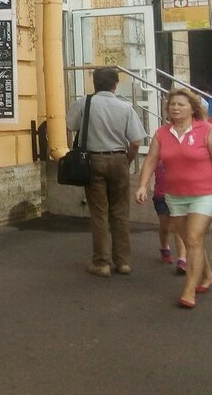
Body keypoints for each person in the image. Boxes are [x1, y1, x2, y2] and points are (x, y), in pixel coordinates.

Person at [136, 88, 212, 308]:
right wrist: (142, 186)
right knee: (189, 239)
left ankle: (189, 291)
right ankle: (207, 275)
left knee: (194, 238)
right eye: (172, 104)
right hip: (175, 195)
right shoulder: (162, 133)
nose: (175, 108)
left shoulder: (208, 131)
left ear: (192, 108)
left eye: (181, 104)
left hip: (205, 194)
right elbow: (151, 160)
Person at [65, 66, 144, 277]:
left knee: (99, 213)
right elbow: (136, 141)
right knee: (120, 212)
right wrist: (126, 160)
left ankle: (101, 263)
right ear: (115, 84)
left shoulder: (84, 103)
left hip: (93, 161)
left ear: (94, 83)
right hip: (119, 159)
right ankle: (123, 261)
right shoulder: (125, 107)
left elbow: (71, 125)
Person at [152, 161, 187, 273]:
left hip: (178, 195)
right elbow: (148, 168)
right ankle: (164, 247)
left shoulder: (180, 155)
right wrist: (143, 187)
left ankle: (182, 259)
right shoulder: (157, 156)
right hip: (161, 197)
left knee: (178, 228)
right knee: (165, 228)